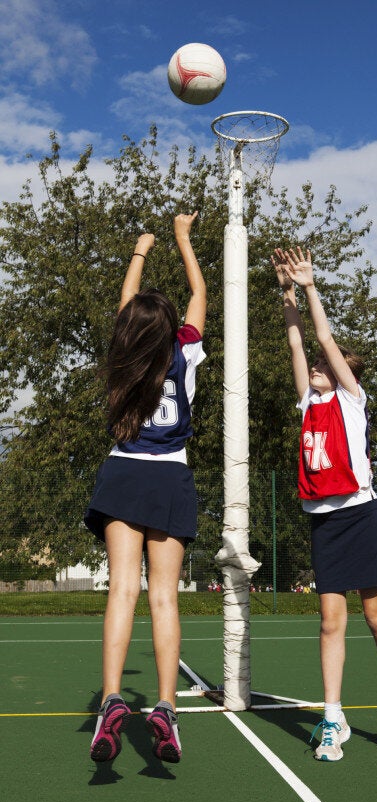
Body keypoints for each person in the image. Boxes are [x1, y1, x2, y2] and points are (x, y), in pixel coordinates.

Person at [271, 246, 377, 762]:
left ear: (341, 375)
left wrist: (310, 288)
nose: (314, 365)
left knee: (375, 614)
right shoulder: (307, 401)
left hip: (360, 511)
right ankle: (333, 720)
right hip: (324, 520)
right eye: (313, 365)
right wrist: (286, 295)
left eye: (323, 365)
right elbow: (296, 342)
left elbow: (323, 338)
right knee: (331, 622)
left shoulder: (350, 401)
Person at [85, 213, 207, 764]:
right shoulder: (185, 352)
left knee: (121, 592)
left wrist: (140, 247)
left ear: (131, 327)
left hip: (124, 471)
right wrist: (182, 238)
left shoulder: (124, 353)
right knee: (163, 597)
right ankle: (163, 706)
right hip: (169, 476)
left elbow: (128, 303)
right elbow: (200, 289)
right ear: (171, 327)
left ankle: (112, 697)